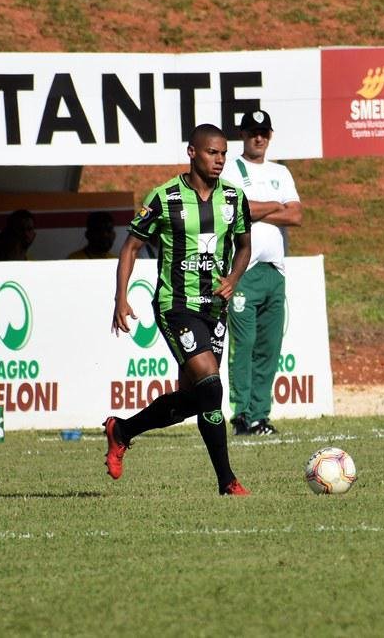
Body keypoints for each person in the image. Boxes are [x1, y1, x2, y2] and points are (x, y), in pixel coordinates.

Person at [107, 123, 252, 496]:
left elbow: (244, 245)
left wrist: (234, 277)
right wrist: (120, 298)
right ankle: (227, 481)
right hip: (176, 306)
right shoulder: (164, 197)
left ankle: (122, 430)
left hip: (214, 308)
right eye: (211, 152)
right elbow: (130, 248)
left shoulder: (234, 198)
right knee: (210, 383)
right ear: (192, 152)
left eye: (223, 153)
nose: (219, 160)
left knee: (196, 398)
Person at [219, 110, 303, 436]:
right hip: (243, 270)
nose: (259, 138)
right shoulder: (230, 169)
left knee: (269, 346)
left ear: (270, 135)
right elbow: (236, 210)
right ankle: (241, 413)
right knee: (245, 342)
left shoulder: (281, 171)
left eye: (264, 133)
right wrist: (273, 206)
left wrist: (258, 208)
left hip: (275, 270)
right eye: (253, 132)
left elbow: (295, 215)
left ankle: (260, 415)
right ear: (243, 134)